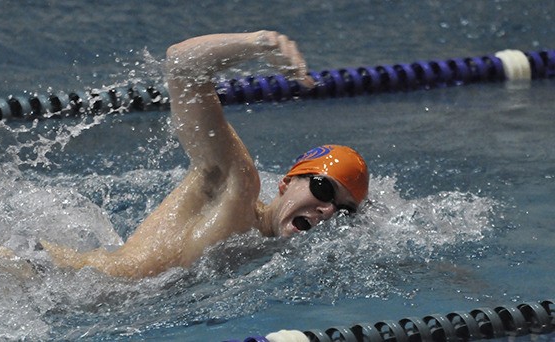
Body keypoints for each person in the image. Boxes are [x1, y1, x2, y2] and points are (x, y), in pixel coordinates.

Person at [41, 31, 369, 278]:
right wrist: (261, 44)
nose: (328, 210)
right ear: (286, 183)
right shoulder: (237, 185)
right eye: (323, 188)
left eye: (344, 210)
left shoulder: (266, 249)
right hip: (44, 278)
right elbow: (182, 64)